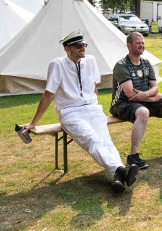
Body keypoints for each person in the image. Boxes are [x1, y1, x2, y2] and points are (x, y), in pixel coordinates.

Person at [25, 29, 138, 193]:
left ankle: (119, 175)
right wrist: (33, 123)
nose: (82, 48)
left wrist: (93, 103)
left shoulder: (90, 61)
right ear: (67, 48)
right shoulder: (57, 65)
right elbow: (48, 95)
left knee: (105, 140)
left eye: (84, 44)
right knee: (92, 139)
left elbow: (94, 87)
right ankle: (121, 170)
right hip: (71, 112)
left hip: (93, 109)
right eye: (78, 45)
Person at [111, 32, 162, 170]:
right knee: (143, 112)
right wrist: (153, 97)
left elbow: (155, 87)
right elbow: (130, 94)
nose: (142, 45)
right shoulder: (121, 65)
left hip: (143, 101)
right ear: (129, 46)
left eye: (143, 42)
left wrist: (148, 95)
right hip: (122, 103)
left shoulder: (146, 63)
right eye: (138, 43)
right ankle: (133, 156)